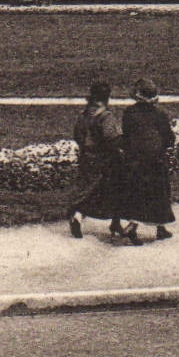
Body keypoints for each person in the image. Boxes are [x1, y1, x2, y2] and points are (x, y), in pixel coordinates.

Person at [115, 78, 176, 244]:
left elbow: (127, 137)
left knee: (138, 191)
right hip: (156, 159)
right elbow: (168, 138)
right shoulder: (160, 114)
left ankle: (135, 226)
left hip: (135, 159)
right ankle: (159, 228)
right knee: (159, 192)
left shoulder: (129, 113)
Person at [66, 81, 124, 239]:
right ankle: (116, 222)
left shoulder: (84, 115)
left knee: (87, 190)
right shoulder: (106, 116)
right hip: (105, 160)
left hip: (86, 157)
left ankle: (77, 215)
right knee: (116, 189)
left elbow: (77, 135)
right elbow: (111, 138)